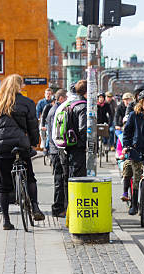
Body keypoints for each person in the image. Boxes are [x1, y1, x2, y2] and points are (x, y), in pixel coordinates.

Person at [0, 74, 45, 230]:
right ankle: (35, 207)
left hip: (2, 148)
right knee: (30, 177)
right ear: (19, 86)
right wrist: (33, 144)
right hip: (20, 144)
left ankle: (6, 220)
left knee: (3, 186)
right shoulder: (27, 102)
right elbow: (33, 126)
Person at [59, 80, 88, 212]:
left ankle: (68, 208)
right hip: (78, 147)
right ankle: (76, 209)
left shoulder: (69, 104)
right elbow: (83, 129)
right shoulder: (82, 106)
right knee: (78, 179)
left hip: (67, 145)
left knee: (68, 178)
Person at [46, 89, 67, 217]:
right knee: (59, 179)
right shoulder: (56, 111)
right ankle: (58, 208)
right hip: (56, 150)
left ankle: (59, 207)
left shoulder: (54, 109)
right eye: (65, 99)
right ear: (60, 99)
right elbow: (58, 132)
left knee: (60, 179)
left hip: (55, 149)